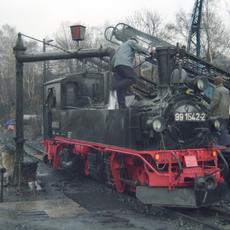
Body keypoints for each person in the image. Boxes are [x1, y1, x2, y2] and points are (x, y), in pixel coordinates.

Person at [112, 37, 153, 108]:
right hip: (124, 63)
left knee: (121, 89)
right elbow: (138, 47)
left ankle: (122, 107)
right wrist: (149, 52)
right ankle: (116, 85)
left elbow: (113, 59)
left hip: (117, 66)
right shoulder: (131, 42)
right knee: (133, 79)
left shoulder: (120, 47)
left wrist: (115, 67)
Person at [208, 75, 230, 146]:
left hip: (218, 113)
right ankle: (226, 143)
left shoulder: (217, 90)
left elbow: (215, 101)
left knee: (216, 128)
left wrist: (208, 108)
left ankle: (217, 144)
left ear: (216, 82)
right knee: (224, 128)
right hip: (226, 113)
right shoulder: (226, 90)